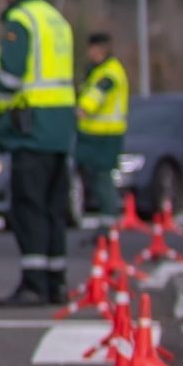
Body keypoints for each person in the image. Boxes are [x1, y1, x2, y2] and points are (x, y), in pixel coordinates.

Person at [0, 0, 76, 307]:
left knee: (29, 207)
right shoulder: (57, 19)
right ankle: (56, 281)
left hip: (31, 126)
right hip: (60, 126)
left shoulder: (20, 20)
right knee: (55, 207)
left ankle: (34, 283)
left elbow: (10, 78)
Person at [75, 32, 128, 236]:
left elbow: (97, 93)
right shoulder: (97, 71)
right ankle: (105, 224)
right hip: (94, 135)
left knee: (104, 181)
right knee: (96, 181)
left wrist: (83, 108)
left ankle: (108, 227)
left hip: (106, 135)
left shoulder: (110, 73)